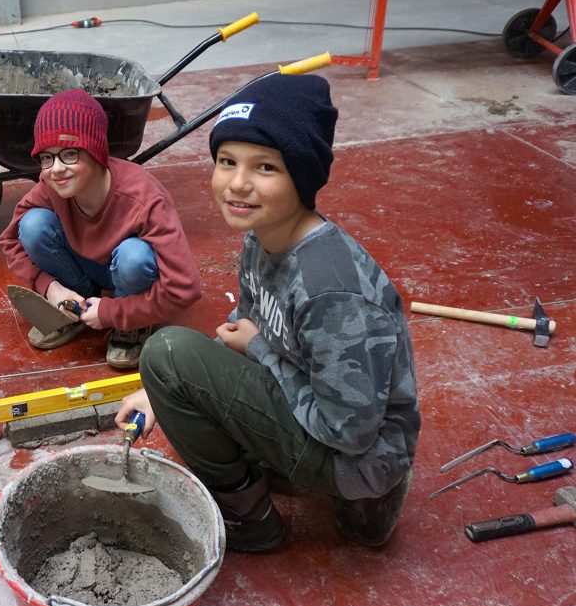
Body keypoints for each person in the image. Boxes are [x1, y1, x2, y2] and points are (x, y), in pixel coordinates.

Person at [115, 74, 420, 551]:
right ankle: (298, 482)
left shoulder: (331, 292)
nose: (237, 183)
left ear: (302, 175)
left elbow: (350, 432)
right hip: (317, 408)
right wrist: (159, 397)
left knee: (166, 352)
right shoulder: (262, 236)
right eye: (227, 161)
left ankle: (250, 518)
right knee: (173, 377)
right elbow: (246, 328)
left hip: (357, 456)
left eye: (265, 168)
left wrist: (258, 349)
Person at [0, 88, 202, 370]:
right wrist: (51, 289)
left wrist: (112, 312)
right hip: (85, 275)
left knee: (134, 256)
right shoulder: (52, 186)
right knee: (33, 225)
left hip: (128, 283)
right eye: (47, 157)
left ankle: (132, 323)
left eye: (70, 154)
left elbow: (185, 287)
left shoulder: (143, 198)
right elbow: (10, 240)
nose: (56, 169)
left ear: (96, 151)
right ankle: (74, 308)